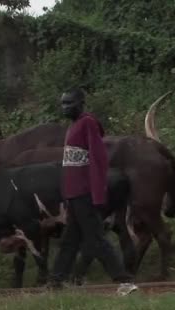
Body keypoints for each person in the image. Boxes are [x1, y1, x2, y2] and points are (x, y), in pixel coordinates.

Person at [48, 87, 133, 287]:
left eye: (69, 103)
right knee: (70, 241)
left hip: (85, 194)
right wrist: (67, 196)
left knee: (96, 239)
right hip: (74, 195)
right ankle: (56, 280)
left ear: (81, 103)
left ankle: (123, 279)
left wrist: (97, 194)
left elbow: (98, 160)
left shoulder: (88, 123)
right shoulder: (73, 126)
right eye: (63, 103)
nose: (65, 107)